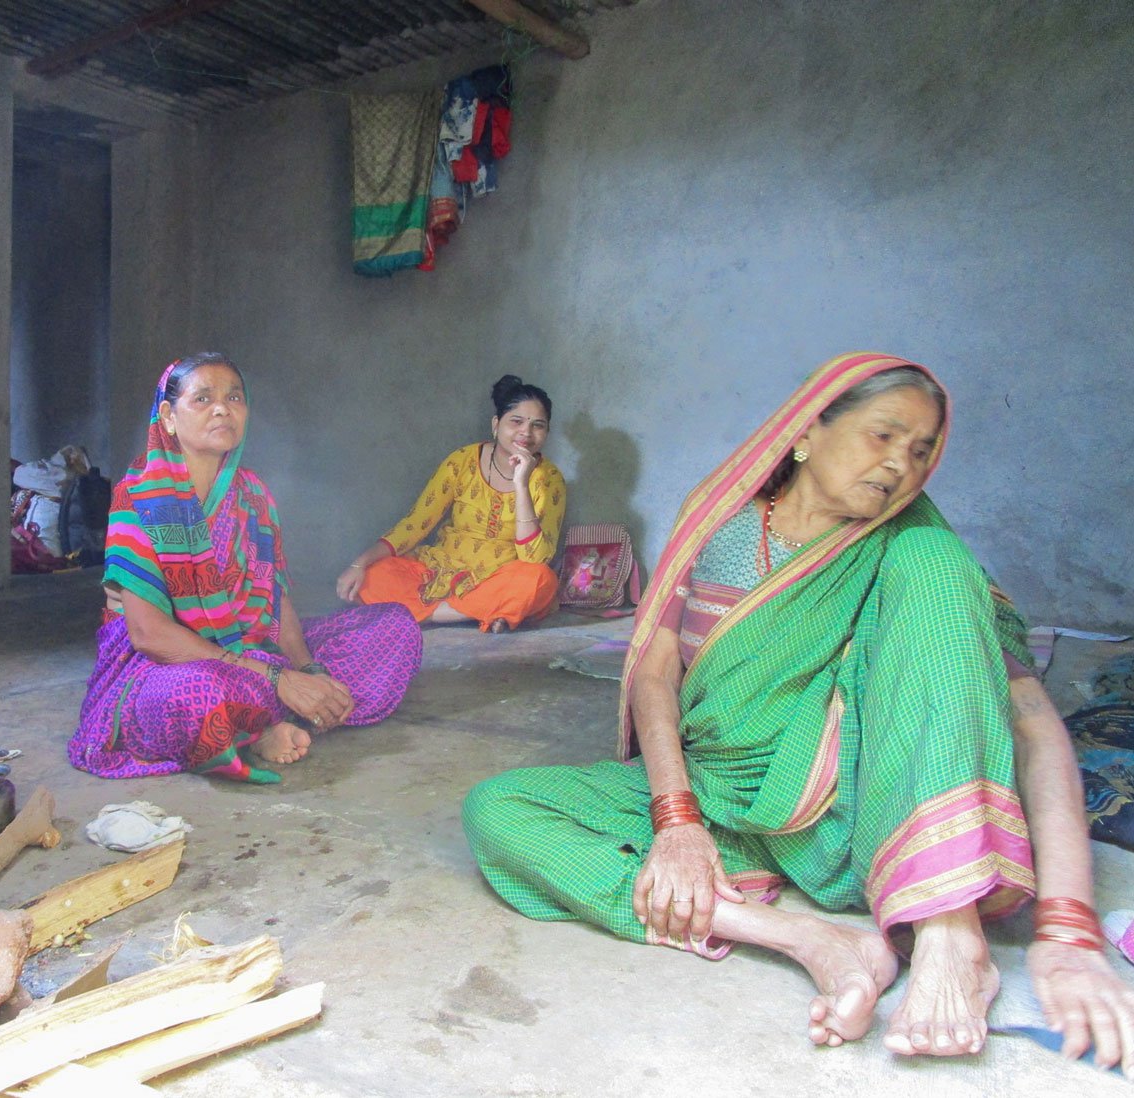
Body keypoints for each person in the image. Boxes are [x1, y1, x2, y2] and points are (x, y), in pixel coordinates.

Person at [464, 352, 1134, 1070]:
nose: (900, 466)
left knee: (935, 563)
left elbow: (1030, 720)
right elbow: (655, 676)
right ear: (808, 431)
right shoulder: (717, 522)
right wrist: (677, 821)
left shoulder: (918, 553)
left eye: (920, 451)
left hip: (851, 818)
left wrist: (1068, 933)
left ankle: (948, 927)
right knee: (497, 810)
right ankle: (809, 941)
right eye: (883, 436)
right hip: (720, 804)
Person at [69, 353, 422, 783]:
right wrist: (278, 679)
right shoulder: (139, 498)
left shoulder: (253, 495)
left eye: (233, 397)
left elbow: (277, 602)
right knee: (196, 695)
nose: (222, 408)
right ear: (168, 416)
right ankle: (259, 727)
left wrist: (307, 670)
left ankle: (267, 717)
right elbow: (149, 636)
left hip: (254, 653)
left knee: (395, 627)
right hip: (167, 665)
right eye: (202, 398)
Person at [337, 375, 566, 633]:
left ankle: (421, 613)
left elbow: (534, 558)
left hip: (498, 578)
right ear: (496, 424)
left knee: (539, 580)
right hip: (441, 570)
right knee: (372, 576)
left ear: (546, 432)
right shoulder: (462, 461)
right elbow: (415, 524)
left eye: (538, 425)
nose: (526, 432)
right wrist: (360, 563)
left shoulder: (550, 480)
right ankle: (471, 613)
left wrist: (521, 483)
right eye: (516, 421)